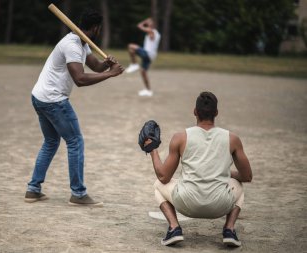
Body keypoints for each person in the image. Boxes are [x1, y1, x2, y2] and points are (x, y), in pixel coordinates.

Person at [24, 9, 124, 206]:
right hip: (53, 100)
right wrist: (111, 74)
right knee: (75, 141)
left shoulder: (81, 41)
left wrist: (106, 64)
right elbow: (80, 78)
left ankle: (33, 190)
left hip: (40, 97)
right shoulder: (72, 45)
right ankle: (78, 194)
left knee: (51, 141)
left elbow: (95, 67)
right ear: (96, 28)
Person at [145, 91, 253, 247]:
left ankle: (174, 228)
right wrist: (225, 173)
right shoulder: (232, 139)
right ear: (216, 113)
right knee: (239, 186)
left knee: (158, 184)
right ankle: (229, 229)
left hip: (187, 204)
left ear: (195, 112)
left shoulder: (180, 137)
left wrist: (153, 150)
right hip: (220, 205)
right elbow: (247, 176)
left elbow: (163, 177)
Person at [126, 17, 161, 97]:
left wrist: (144, 21)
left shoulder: (151, 31)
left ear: (153, 24)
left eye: (150, 22)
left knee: (130, 46)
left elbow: (139, 26)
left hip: (147, 54)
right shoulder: (156, 33)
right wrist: (147, 22)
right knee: (143, 72)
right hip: (150, 56)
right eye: (148, 22)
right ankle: (148, 90)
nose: (148, 23)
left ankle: (134, 64)